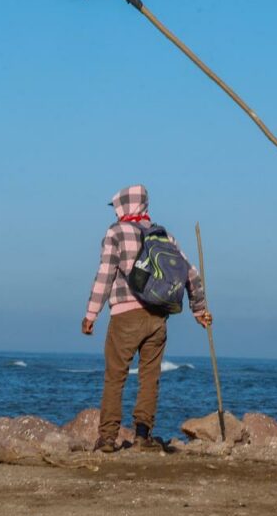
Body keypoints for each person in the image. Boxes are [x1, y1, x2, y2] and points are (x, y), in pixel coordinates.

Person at [81, 185, 212, 452]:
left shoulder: (115, 233)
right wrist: (199, 310)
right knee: (149, 378)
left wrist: (91, 313)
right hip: (157, 318)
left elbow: (105, 275)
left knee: (115, 377)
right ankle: (143, 436)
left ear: (122, 206)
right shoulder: (163, 236)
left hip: (125, 316)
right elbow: (192, 275)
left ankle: (107, 438)